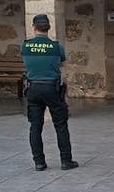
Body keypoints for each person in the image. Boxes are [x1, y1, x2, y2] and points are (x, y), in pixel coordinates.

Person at [22, 14, 78, 172]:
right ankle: (66, 161)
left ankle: (39, 162)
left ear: (34, 27)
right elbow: (62, 62)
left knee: (35, 126)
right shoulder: (56, 46)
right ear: (49, 27)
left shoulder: (25, 46)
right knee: (60, 125)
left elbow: (27, 63)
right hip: (52, 88)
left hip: (33, 88)